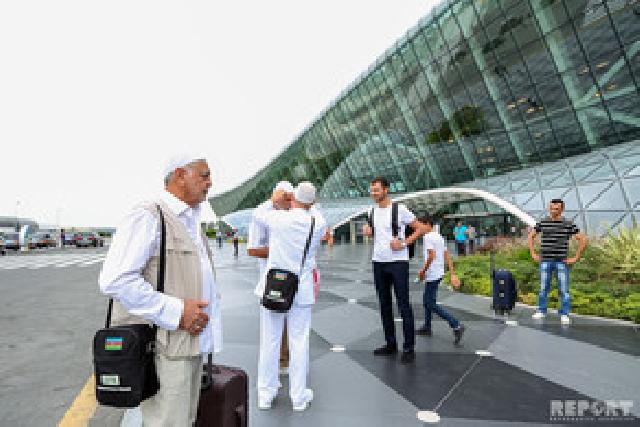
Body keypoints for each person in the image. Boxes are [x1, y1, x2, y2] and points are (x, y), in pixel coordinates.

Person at [99, 155, 222, 426]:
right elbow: (115, 280)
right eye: (204, 175)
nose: (210, 182)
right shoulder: (148, 215)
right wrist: (177, 311)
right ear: (180, 175)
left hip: (190, 344)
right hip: (165, 348)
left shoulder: (191, 221)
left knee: (184, 420)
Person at [254, 182, 327, 411]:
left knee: (270, 341)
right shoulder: (318, 222)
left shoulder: (278, 219)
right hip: (301, 289)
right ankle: (298, 397)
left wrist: (275, 199)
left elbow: (258, 215)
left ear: (293, 198)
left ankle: (266, 394)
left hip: (275, 287)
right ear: (313, 202)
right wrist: (301, 200)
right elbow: (311, 208)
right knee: (299, 342)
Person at [362, 177, 425, 364]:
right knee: (384, 304)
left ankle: (409, 347)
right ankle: (390, 344)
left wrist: (404, 242)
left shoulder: (400, 209)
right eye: (372, 190)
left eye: (377, 190)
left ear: (386, 190)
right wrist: (369, 231)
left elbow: (420, 228)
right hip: (378, 262)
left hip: (398, 262)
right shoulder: (371, 211)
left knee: (403, 304)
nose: (374, 193)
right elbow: (377, 233)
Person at [247, 181, 295, 377]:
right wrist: (280, 251)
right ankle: (278, 364)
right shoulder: (262, 217)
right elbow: (252, 249)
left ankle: (288, 360)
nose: (290, 203)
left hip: (292, 278)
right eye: (287, 199)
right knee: (274, 325)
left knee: (292, 321)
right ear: (278, 197)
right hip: (272, 280)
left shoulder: (291, 214)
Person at [529, 199, 587, 325]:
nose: (553, 211)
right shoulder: (543, 222)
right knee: (543, 288)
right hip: (545, 260)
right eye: (551, 208)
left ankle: (564, 314)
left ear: (562, 209)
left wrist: (576, 257)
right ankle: (541, 310)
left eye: (556, 209)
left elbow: (582, 239)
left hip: (561, 261)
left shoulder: (568, 224)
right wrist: (533, 253)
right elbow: (531, 235)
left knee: (564, 290)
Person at [416, 215, 465, 344]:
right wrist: (452, 273)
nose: (418, 227)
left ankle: (456, 325)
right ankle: (427, 326)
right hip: (438, 273)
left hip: (432, 274)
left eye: (420, 224)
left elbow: (431, 256)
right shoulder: (439, 236)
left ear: (427, 224)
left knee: (429, 303)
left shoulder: (427, 237)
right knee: (428, 300)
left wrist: (423, 271)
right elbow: (447, 256)